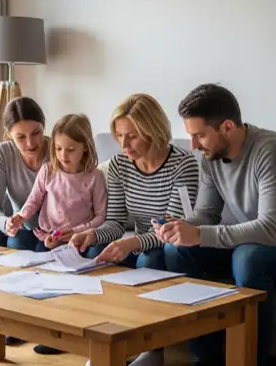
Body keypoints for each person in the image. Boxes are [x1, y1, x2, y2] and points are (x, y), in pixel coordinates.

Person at [156, 83, 276, 366]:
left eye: (199, 135)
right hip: (255, 246)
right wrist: (180, 227)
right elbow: (206, 214)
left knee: (249, 257)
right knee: (177, 250)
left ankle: (249, 361)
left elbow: (271, 230)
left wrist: (200, 234)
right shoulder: (211, 157)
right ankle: (208, 360)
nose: (193, 146)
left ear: (227, 127)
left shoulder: (272, 151)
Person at [71, 93, 200, 366]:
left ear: (153, 131)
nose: (123, 144)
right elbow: (116, 223)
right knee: (95, 253)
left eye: (132, 136)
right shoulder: (119, 165)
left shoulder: (183, 164)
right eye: (119, 135)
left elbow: (173, 230)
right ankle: (107, 345)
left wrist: (132, 244)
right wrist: (92, 234)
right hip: (139, 243)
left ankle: (151, 350)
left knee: (149, 260)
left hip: (168, 243)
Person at [12, 113, 107, 253]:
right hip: (49, 237)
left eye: (70, 150)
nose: (63, 155)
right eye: (58, 148)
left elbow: (101, 216)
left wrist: (76, 231)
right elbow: (34, 200)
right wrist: (22, 216)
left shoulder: (95, 177)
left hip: (81, 239)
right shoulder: (48, 171)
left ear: (85, 147)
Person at [0, 97, 50, 251]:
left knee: (17, 243)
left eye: (36, 133)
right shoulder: (2, 153)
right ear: (9, 134)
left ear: (43, 126)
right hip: (21, 226)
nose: (30, 143)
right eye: (21, 137)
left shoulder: (58, 152)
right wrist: (7, 223)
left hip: (53, 228)